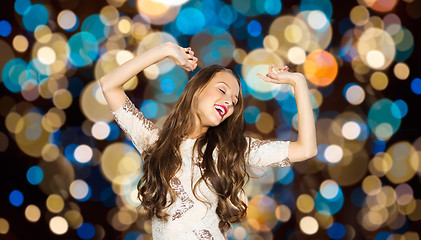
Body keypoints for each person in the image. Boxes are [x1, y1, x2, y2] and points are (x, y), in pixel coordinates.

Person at [99, 42, 317, 239]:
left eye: (234, 101)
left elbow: (306, 149)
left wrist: (298, 84)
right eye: (222, 90)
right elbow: (109, 84)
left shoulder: (230, 151)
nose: (229, 103)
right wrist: (164, 50)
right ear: (197, 89)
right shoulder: (155, 142)